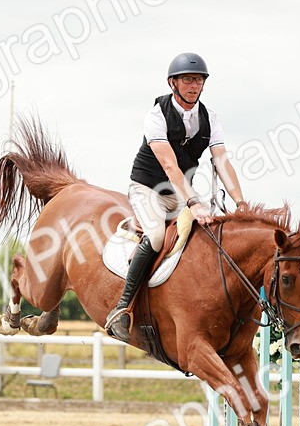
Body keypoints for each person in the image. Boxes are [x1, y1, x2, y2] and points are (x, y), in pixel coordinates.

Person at [105, 52, 248, 343]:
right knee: (157, 236)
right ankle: (122, 308)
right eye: (187, 80)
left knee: (206, 237)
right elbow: (169, 165)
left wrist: (241, 204)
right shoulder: (156, 116)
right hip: (148, 189)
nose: (194, 85)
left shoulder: (211, 118)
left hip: (182, 192)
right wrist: (194, 203)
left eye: (198, 80)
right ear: (173, 83)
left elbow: (221, 161)